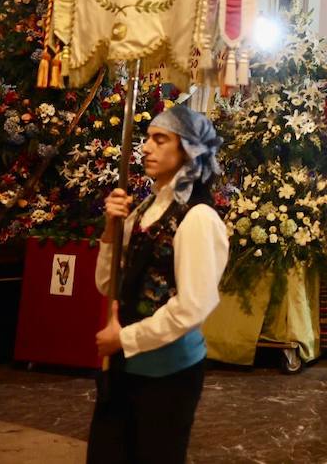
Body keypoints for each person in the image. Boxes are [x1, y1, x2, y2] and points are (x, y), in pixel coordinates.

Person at [88, 105, 229, 464]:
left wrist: (125, 339)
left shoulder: (198, 217)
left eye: (159, 139)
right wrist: (111, 230)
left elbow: (193, 306)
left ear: (188, 149)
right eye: (147, 138)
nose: (146, 148)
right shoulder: (146, 209)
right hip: (124, 368)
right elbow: (108, 285)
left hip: (168, 376)